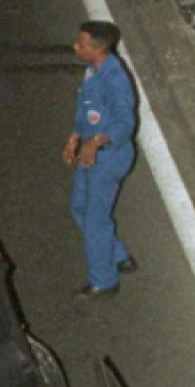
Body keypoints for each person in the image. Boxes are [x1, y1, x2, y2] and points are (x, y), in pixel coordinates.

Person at [61, 20, 137, 299]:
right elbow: (86, 109)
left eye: (81, 44)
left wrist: (95, 142)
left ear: (98, 49)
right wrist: (75, 137)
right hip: (90, 154)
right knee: (79, 207)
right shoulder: (93, 71)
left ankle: (104, 282)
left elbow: (124, 123)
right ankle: (117, 255)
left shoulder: (114, 80)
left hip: (108, 159)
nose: (75, 47)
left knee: (95, 220)